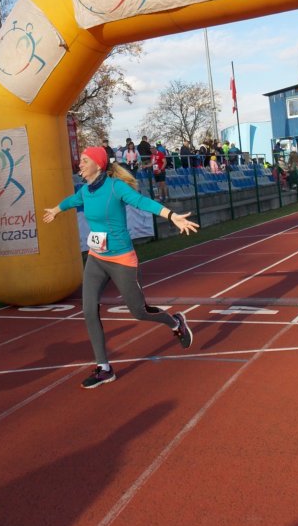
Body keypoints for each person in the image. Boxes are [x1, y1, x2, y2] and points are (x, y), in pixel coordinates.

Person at [42, 146, 199, 389]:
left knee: (139, 312)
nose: (80, 165)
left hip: (122, 260)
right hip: (96, 258)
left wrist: (171, 216)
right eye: (80, 161)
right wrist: (55, 210)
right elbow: (71, 201)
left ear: (98, 165)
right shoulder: (85, 191)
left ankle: (175, 322)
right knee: (88, 310)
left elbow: (142, 202)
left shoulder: (115, 187)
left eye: (84, 161)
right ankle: (104, 368)